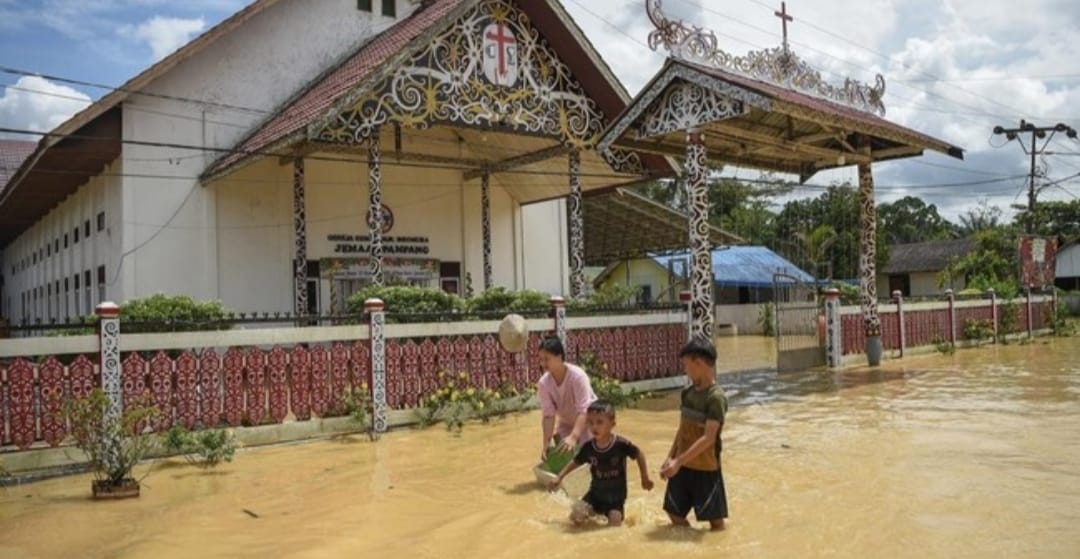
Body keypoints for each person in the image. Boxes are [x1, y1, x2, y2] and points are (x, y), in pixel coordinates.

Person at [660, 337, 729, 531]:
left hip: (706, 467)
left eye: (686, 365)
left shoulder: (716, 398)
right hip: (682, 464)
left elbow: (708, 438)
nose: (685, 371)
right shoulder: (687, 393)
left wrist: (678, 461)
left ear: (698, 363)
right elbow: (682, 429)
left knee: (715, 524)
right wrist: (670, 457)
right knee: (674, 513)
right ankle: (691, 541)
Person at [549, 400, 654, 526]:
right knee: (576, 517)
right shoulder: (588, 447)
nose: (594, 427)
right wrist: (559, 477)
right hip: (595, 495)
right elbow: (575, 462)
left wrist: (644, 477)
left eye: (599, 422)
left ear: (612, 424)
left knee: (614, 524)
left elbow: (639, 454)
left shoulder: (620, 444)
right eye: (590, 422)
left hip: (615, 499)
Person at [537, 335, 596, 460]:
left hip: (591, 422)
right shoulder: (543, 384)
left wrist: (574, 437)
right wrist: (546, 443)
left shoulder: (578, 376)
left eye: (547, 359)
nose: (543, 364)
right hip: (566, 423)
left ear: (559, 357)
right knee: (563, 457)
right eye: (541, 359)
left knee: (591, 458)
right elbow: (548, 415)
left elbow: (584, 410)